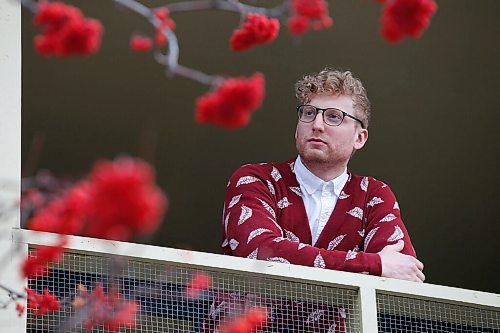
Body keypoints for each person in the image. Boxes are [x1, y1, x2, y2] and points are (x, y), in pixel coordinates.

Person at [221, 68, 425, 283]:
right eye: (309, 113)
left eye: (334, 117)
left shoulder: (374, 196)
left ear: (360, 138)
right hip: (248, 317)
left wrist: (380, 266)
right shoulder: (256, 179)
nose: (317, 125)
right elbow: (261, 252)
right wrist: (375, 264)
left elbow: (404, 274)